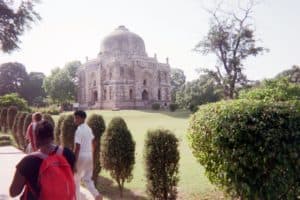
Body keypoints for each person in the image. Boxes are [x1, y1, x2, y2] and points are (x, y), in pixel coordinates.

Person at [10, 120, 76, 200]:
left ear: (36, 138)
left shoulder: (28, 161)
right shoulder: (68, 154)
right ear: (53, 136)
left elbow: (13, 192)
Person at [73, 110, 102, 200]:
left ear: (81, 118)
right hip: (89, 155)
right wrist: (91, 153)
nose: (75, 120)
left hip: (81, 156)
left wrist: (74, 161)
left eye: (76, 118)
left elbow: (77, 147)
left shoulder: (79, 130)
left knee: (75, 180)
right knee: (87, 179)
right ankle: (97, 195)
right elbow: (94, 142)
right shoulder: (88, 128)